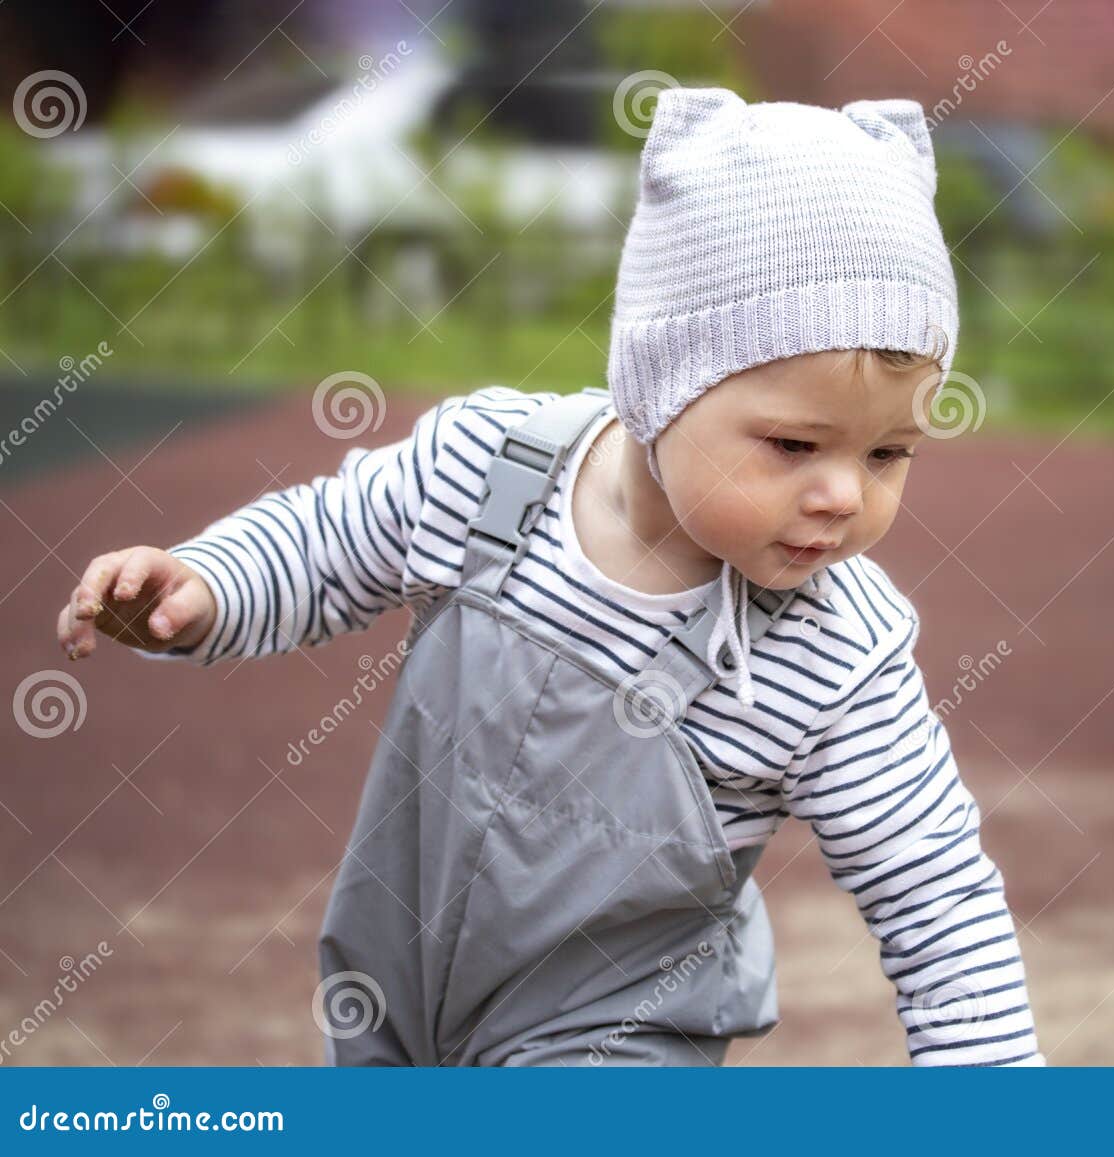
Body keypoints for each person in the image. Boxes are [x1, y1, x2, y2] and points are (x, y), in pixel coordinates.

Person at [55, 86, 1045, 1067]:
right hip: (386, 989)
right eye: (794, 443)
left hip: (610, 1040)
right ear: (662, 380)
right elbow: (327, 539)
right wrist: (208, 585)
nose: (842, 495)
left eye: (888, 454)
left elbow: (935, 894)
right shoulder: (493, 467)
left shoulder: (834, 649)